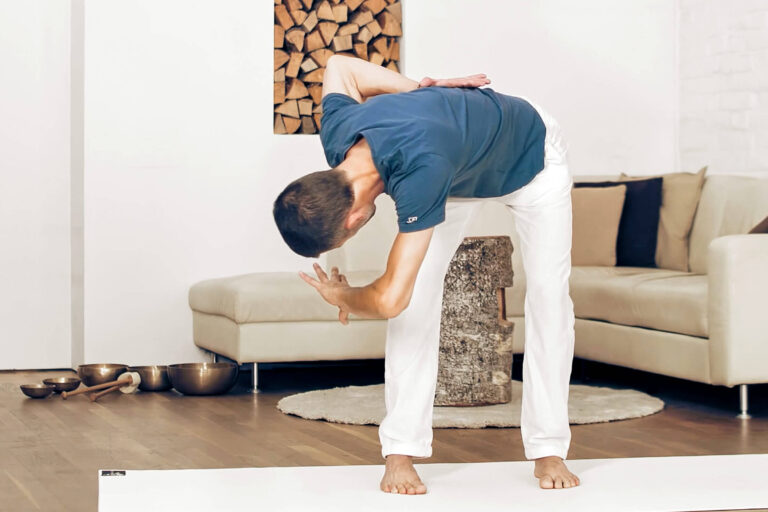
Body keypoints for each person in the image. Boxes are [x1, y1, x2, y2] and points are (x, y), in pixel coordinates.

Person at [272, 54, 580, 495]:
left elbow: (388, 298)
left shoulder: (421, 168)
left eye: (344, 239)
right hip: (455, 168)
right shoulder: (341, 137)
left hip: (531, 158)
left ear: (354, 217)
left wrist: (344, 297)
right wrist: (421, 89)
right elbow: (341, 66)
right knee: (417, 304)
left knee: (550, 296)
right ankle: (400, 454)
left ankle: (550, 448)